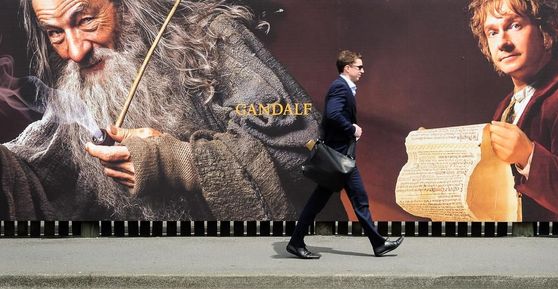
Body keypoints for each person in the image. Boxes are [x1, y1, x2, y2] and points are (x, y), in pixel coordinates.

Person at [0, 0, 347, 221]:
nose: (74, 51)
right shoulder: (79, 81)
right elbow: (42, 174)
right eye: (55, 33)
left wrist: (175, 160)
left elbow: (320, 158)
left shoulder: (213, 41)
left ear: (127, 5)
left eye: (86, 20)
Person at [468, 0, 558, 221]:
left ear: (547, 30)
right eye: (492, 32)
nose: (502, 43)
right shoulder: (507, 104)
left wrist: (528, 156)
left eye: (514, 25)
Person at [287, 50, 403, 259]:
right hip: (339, 159)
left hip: (341, 158)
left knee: (355, 200)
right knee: (340, 201)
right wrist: (352, 129)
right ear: (347, 68)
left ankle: (378, 244)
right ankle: (296, 242)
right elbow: (331, 115)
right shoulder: (340, 87)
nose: (362, 70)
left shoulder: (343, 88)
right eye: (359, 67)